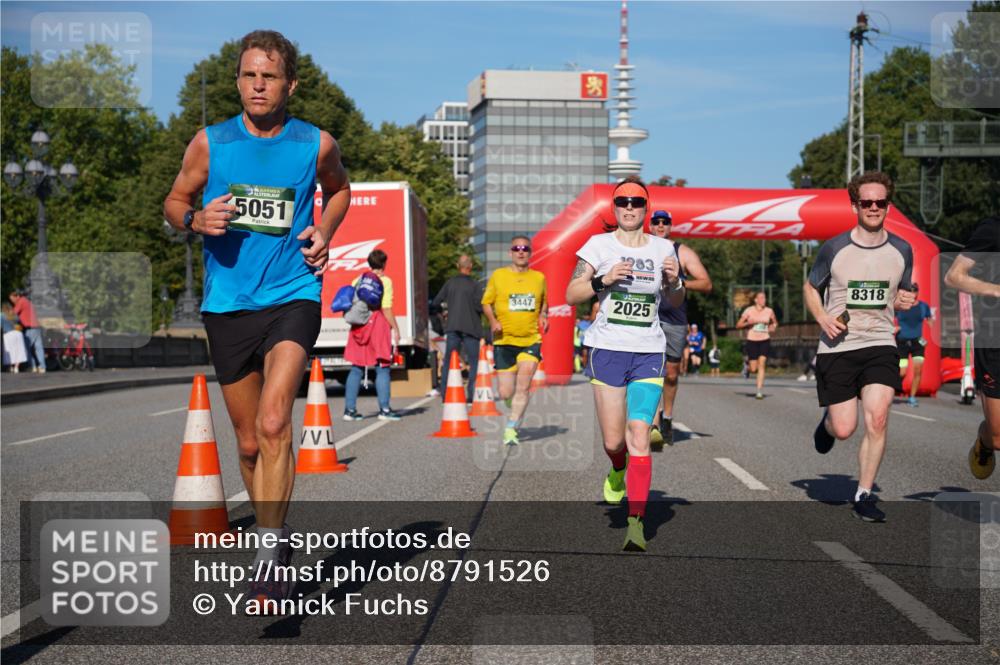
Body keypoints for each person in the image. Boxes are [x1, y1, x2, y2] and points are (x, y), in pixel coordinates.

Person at [163, 30, 351, 612]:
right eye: (248, 75)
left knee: (274, 423)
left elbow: (339, 191)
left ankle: (268, 558)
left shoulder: (315, 143)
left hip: (293, 294)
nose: (257, 86)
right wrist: (196, 220)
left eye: (268, 76)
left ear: (289, 83)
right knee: (247, 444)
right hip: (228, 305)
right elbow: (173, 203)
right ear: (238, 81)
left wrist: (324, 230)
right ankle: (277, 535)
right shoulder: (210, 143)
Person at [566, 176, 684, 551]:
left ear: (646, 208)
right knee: (614, 440)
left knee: (639, 436)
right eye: (623, 202)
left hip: (649, 350)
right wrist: (602, 279)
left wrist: (676, 283)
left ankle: (636, 524)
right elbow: (571, 293)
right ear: (614, 208)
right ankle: (617, 470)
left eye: (636, 202)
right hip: (607, 349)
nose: (630, 207)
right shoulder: (598, 245)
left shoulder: (664, 247)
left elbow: (676, 301)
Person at [805, 171, 917, 522]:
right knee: (844, 428)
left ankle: (864, 493)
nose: (873, 207)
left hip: (881, 342)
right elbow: (811, 288)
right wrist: (822, 317)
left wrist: (904, 301)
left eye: (879, 202)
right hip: (839, 345)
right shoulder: (835, 248)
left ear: (888, 206)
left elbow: (902, 294)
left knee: (879, 417)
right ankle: (827, 424)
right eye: (866, 202)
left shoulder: (902, 249)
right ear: (854, 205)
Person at [647, 209, 712, 446]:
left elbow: (706, 283)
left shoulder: (682, 252)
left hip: (675, 320)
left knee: (671, 375)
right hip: (649, 318)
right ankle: (652, 425)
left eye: (665, 222)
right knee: (651, 370)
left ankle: (667, 418)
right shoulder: (641, 249)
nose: (660, 225)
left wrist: (680, 282)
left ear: (670, 226)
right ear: (650, 225)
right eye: (656, 222)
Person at [944, 216, 999, 480]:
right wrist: (995, 290)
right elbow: (954, 276)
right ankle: (985, 442)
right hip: (994, 340)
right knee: (999, 435)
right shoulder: (992, 229)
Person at [482, 235, 548, 446]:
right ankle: (513, 404)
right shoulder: (499, 276)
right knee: (505, 392)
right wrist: (492, 321)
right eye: (517, 248)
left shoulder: (539, 278)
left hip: (530, 339)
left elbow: (544, 303)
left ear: (530, 253)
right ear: (510, 253)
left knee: (523, 386)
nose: (521, 252)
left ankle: (511, 428)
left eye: (525, 249)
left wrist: (543, 316)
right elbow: (486, 303)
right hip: (504, 341)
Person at [343, 249, 402, 421]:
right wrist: (396, 329)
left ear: (369, 263)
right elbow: (386, 308)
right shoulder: (385, 281)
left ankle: (349, 410)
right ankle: (384, 410)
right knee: (382, 368)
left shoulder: (358, 280)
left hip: (359, 327)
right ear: (384, 264)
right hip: (378, 325)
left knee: (356, 368)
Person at [432, 254, 483, 403]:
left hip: (453, 327)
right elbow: (480, 306)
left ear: (457, 266)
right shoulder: (475, 285)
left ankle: (445, 394)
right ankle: (471, 394)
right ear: (471, 266)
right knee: (474, 361)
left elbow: (436, 302)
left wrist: (444, 312)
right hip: (471, 328)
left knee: (449, 360)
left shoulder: (450, 283)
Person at [737, 291, 777, 399]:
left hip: (765, 339)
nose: (764, 300)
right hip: (752, 340)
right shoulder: (749, 311)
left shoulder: (769, 311)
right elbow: (738, 325)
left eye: (765, 298)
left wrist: (773, 327)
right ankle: (747, 366)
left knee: (762, 364)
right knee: (753, 368)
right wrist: (748, 323)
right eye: (761, 298)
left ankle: (759, 391)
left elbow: (774, 322)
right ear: (756, 300)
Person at [895, 297, 933, 407]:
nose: (912, 293)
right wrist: (894, 326)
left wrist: (932, 326)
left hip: (917, 343)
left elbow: (930, 319)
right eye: (910, 290)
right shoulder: (900, 306)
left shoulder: (923, 306)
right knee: (902, 372)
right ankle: (892, 388)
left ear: (917, 292)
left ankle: (912, 398)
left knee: (918, 370)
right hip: (903, 343)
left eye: (914, 290)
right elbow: (891, 318)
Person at [8, 291, 45, 373]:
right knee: (38, 348)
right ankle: (42, 367)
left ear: (17, 296)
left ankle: (34, 366)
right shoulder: (27, 301)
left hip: (30, 328)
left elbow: (13, 314)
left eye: (12, 299)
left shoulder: (21, 301)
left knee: (28, 348)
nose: (12, 301)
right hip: (36, 327)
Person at [2, 302, 27, 373]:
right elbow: (20, 322)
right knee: (18, 351)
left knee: (9, 351)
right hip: (18, 333)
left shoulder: (2, 315)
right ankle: (16, 367)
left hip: (8, 335)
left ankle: (11, 367)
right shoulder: (15, 315)